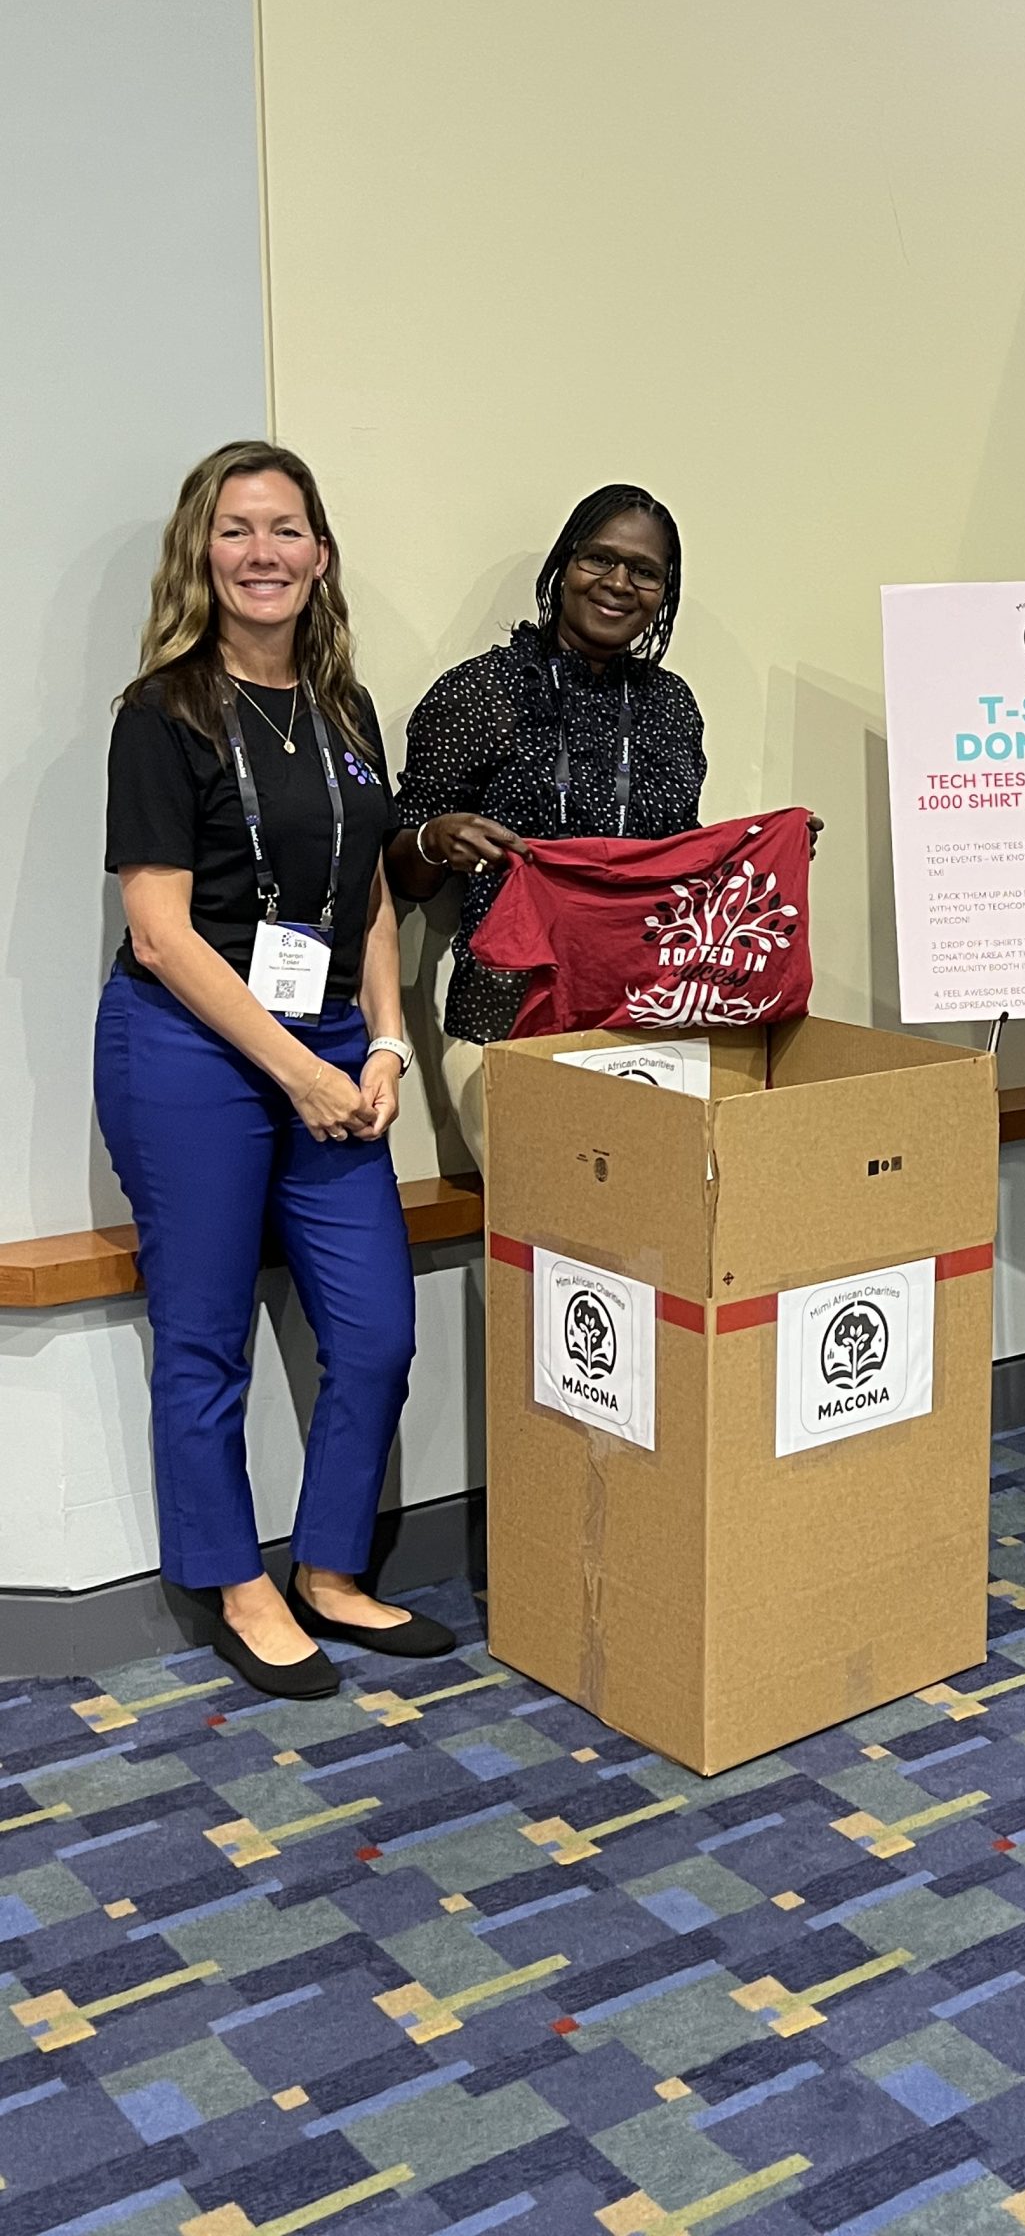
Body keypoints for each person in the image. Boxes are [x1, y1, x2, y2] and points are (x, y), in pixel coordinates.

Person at [96, 441, 454, 1698]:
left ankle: (333, 1570)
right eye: (238, 531)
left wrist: (390, 1041)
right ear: (205, 553)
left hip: (337, 1056)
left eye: (288, 530)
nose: (265, 555)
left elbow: (360, 901)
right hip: (189, 1053)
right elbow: (160, 931)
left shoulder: (344, 708)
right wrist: (297, 1068)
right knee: (204, 1340)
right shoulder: (162, 715)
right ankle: (238, 1582)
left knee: (374, 1334)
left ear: (320, 553)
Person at [385, 486, 707, 1149]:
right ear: (564, 566)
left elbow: (678, 860)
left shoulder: (671, 707)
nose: (619, 583)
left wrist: (758, 854)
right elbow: (401, 876)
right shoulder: (478, 693)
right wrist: (434, 839)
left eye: (644, 572)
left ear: (663, 593)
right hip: (505, 1016)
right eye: (599, 559)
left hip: (647, 1016)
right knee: (550, 1230)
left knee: (654, 1231)